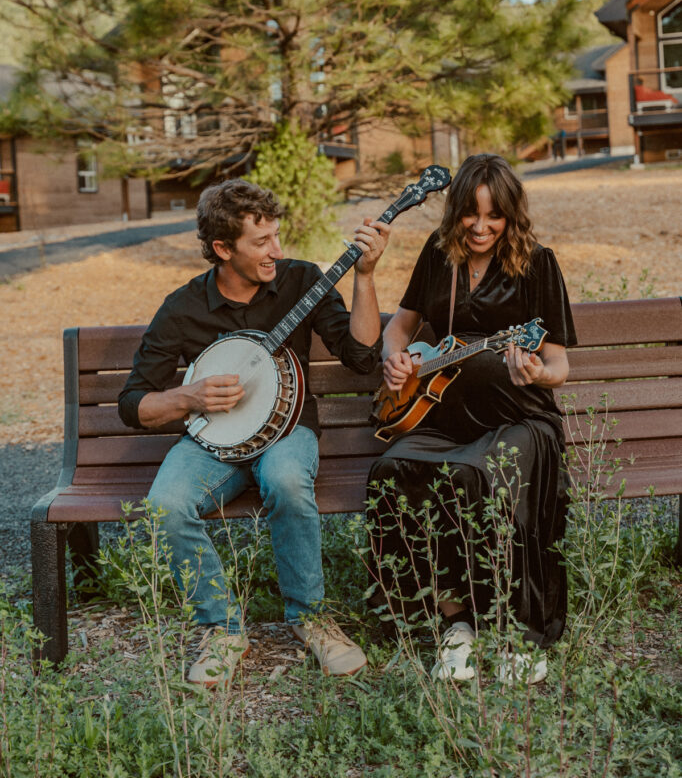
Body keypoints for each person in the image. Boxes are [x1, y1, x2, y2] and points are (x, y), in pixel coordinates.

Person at [118, 179, 390, 687]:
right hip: (213, 443)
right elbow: (133, 404)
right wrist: (188, 398)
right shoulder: (182, 309)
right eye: (261, 242)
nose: (277, 251)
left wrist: (366, 277)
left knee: (287, 481)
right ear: (223, 249)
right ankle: (221, 627)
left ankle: (311, 619)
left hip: (288, 432)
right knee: (164, 505)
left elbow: (361, 358)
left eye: (277, 236)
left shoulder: (301, 281)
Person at [368, 153, 575, 684]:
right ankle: (454, 618)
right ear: (455, 211)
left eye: (495, 216)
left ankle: (513, 626)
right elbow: (401, 326)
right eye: (470, 214)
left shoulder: (537, 263)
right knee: (392, 473)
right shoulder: (438, 258)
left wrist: (535, 373)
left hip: (520, 418)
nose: (481, 227)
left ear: (511, 216)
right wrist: (397, 357)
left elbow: (559, 365)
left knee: (479, 475)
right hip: (442, 416)